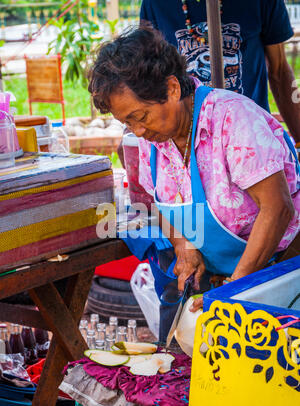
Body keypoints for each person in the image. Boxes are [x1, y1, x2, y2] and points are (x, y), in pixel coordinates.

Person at [89, 26, 300, 341]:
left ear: (172, 88)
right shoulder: (153, 142)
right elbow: (156, 203)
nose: (138, 131)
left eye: (140, 116)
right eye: (127, 122)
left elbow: (277, 209)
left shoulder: (232, 120)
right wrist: (183, 245)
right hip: (222, 280)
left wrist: (235, 290)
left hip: (278, 275)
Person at [140, 0, 300, 146]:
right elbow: (145, 78)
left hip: (252, 138)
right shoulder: (154, 4)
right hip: (189, 143)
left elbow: (279, 71)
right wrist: (133, 132)